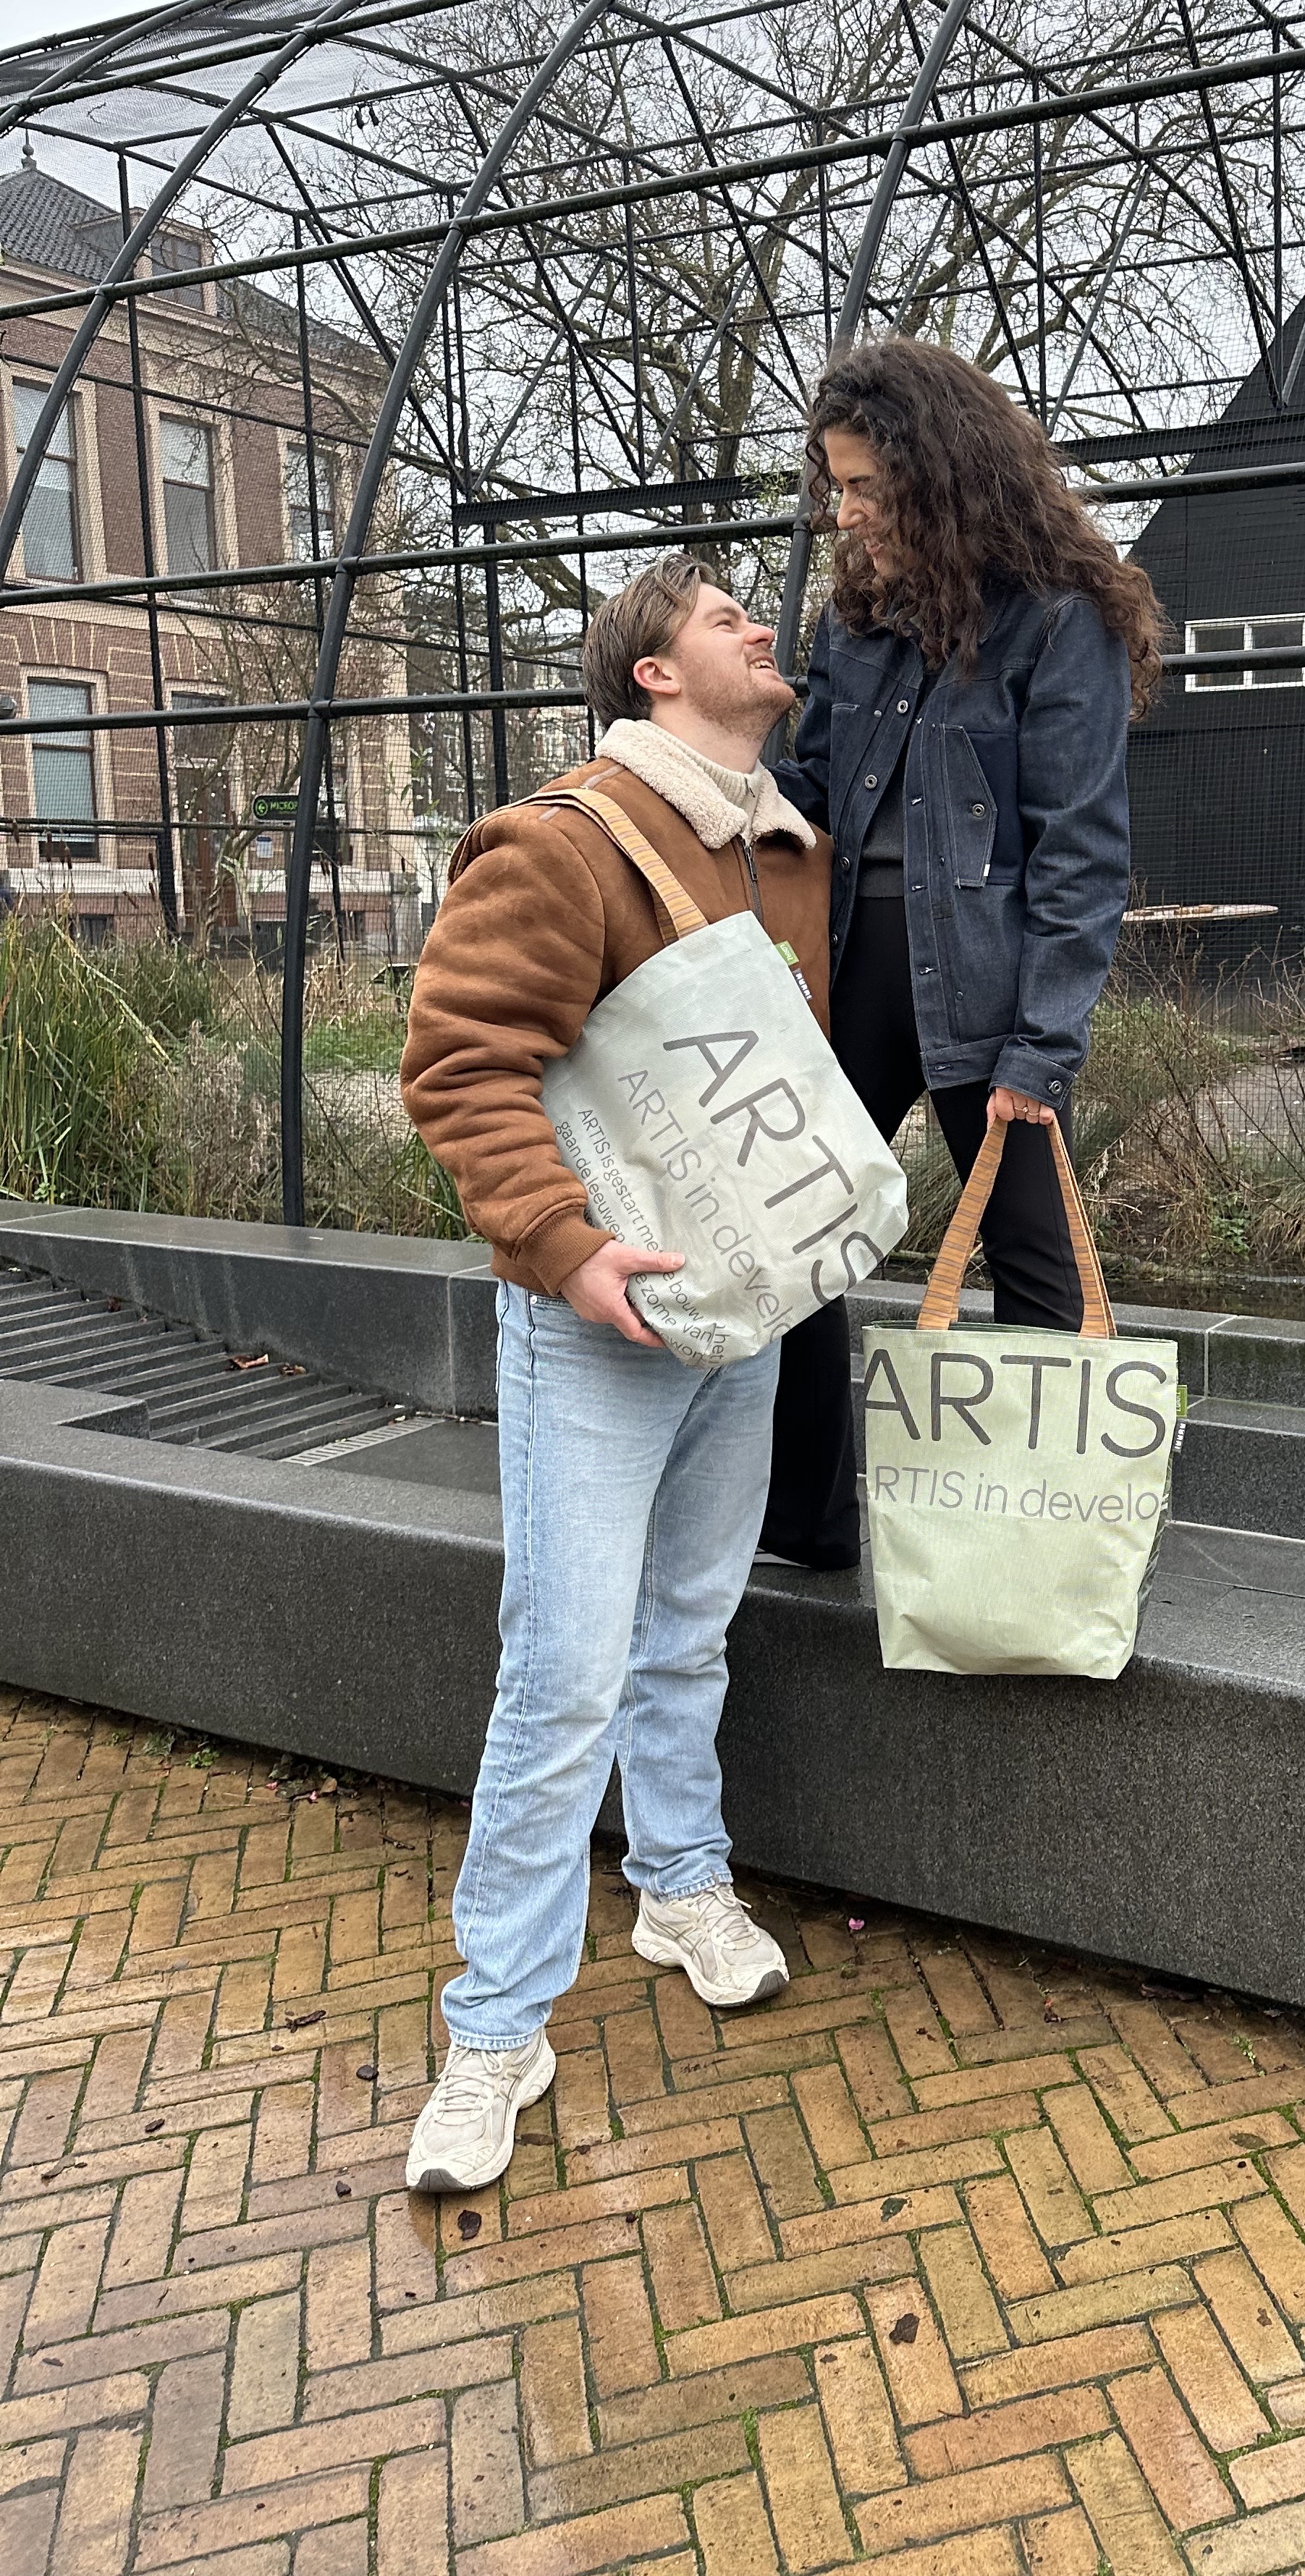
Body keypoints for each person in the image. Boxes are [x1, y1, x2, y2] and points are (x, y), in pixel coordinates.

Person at [397, 556, 829, 2195]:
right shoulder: (561, 841)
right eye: (723, 616)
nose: (757, 627)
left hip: (746, 1313)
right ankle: (494, 2029)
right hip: (596, 1323)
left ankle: (680, 1884)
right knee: (563, 1671)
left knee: (689, 1629)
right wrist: (566, 1249)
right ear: (652, 673)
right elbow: (455, 1062)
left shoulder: (786, 847)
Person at [762, 335, 1163, 1569]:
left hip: (984, 992)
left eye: (870, 486)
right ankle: (812, 1523)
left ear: (942, 477)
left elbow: (1080, 855)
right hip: (845, 980)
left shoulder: (1060, 623)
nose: (849, 511)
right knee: (797, 1244)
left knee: (1033, 1259)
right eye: (837, 485)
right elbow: (813, 789)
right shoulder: (860, 622)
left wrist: (1041, 1050)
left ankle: (1036, 1546)